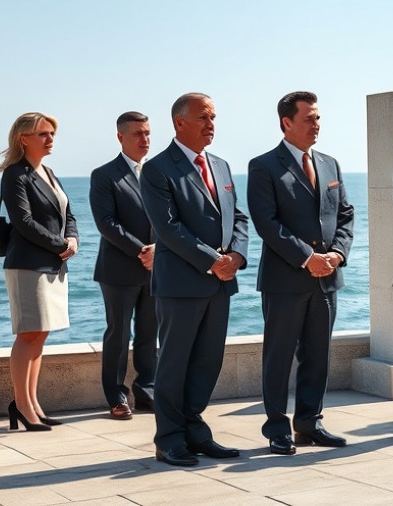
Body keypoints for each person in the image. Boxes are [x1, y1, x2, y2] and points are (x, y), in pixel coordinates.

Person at [140, 93, 249, 466]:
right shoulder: (157, 169)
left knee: (207, 362)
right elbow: (167, 229)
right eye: (203, 118)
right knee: (174, 364)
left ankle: (195, 431)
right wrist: (212, 261)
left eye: (213, 117)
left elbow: (239, 217)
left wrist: (236, 255)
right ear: (179, 122)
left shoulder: (220, 165)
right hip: (181, 284)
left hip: (220, 283)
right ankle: (169, 438)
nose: (211, 124)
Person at [247, 91, 354, 456]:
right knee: (279, 357)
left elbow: (345, 215)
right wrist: (307, 257)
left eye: (318, 118)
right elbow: (267, 222)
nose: (316, 125)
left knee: (318, 354)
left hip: (327, 279)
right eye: (309, 118)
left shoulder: (330, 164)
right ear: (286, 122)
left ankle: (310, 423)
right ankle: (277, 428)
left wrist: (337, 253)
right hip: (286, 279)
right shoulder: (263, 166)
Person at [0, 112, 79, 431]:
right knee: (28, 334)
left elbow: (67, 212)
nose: (50, 139)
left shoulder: (48, 171)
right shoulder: (15, 174)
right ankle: (22, 406)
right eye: (43, 134)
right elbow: (23, 222)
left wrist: (71, 238)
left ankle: (32, 403)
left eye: (52, 134)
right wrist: (61, 244)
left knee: (40, 334)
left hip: (52, 264)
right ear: (24, 138)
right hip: (27, 264)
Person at [90, 111, 158, 420]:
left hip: (157, 267)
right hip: (119, 270)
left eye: (147, 133)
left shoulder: (159, 173)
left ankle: (147, 390)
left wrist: (160, 251)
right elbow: (106, 223)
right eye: (137, 134)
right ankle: (117, 396)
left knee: (149, 332)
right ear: (121, 137)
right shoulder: (104, 175)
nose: (145, 139)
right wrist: (142, 250)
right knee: (118, 334)